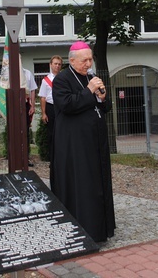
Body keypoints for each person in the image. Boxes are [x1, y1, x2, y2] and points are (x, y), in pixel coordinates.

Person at [52, 41, 115, 243]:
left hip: (95, 141)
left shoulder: (91, 77)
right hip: (75, 144)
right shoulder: (61, 79)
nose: (88, 64)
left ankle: (101, 227)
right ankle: (85, 228)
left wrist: (103, 98)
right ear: (71, 61)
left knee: (98, 182)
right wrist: (89, 91)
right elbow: (67, 105)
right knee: (83, 184)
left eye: (90, 59)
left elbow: (105, 107)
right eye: (84, 60)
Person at [38, 55, 63, 164]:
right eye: (55, 64)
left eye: (59, 64)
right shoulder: (46, 80)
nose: (57, 66)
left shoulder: (64, 78)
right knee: (52, 134)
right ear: (51, 65)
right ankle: (53, 160)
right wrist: (44, 113)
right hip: (51, 107)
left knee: (62, 133)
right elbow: (43, 97)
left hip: (62, 107)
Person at [23, 68, 38, 167]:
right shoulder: (8, 73)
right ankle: (14, 157)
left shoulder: (27, 73)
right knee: (14, 132)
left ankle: (25, 157)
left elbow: (32, 90)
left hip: (26, 104)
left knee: (25, 133)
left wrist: (32, 105)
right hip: (13, 106)